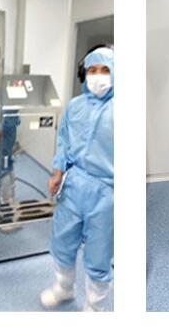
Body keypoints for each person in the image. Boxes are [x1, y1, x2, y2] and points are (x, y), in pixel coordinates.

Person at [40, 46, 114, 312]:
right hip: (73, 186)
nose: (98, 76)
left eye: (105, 70)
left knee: (99, 253)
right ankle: (64, 288)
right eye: (92, 70)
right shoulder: (75, 106)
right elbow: (64, 142)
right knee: (62, 240)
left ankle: (95, 307)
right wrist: (57, 173)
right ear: (85, 74)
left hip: (107, 192)